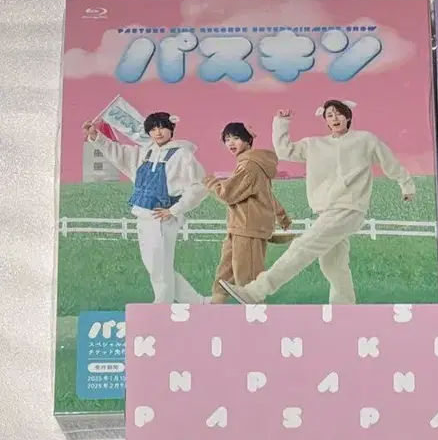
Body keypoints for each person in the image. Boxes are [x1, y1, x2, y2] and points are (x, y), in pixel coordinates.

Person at [218, 100, 415, 305]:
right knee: (333, 265)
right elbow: (285, 150)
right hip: (327, 211)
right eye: (329, 115)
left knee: (302, 247)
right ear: (325, 121)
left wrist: (406, 185)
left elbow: (389, 161)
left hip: (348, 208)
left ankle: (255, 292)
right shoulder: (314, 145)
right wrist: (282, 122)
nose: (335, 118)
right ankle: (344, 309)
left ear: (347, 116)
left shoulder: (365, 140)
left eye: (338, 113)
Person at [82, 111, 208, 303]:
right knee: (156, 266)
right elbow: (119, 152)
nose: (158, 132)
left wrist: (174, 210)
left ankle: (162, 306)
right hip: (143, 215)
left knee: (159, 266)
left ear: (171, 128)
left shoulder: (182, 155)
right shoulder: (146, 152)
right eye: (153, 129)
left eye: (162, 127)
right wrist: (95, 136)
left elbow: (199, 186)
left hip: (162, 217)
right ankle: (197, 302)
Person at [203, 122, 293, 304]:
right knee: (225, 273)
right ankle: (215, 307)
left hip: (248, 227)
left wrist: (210, 182)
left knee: (249, 277)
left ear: (248, 140)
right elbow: (267, 195)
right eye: (227, 139)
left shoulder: (250, 166)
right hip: (239, 226)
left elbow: (228, 194)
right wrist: (281, 215)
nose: (231, 143)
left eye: (236, 138)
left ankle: (257, 314)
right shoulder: (250, 164)